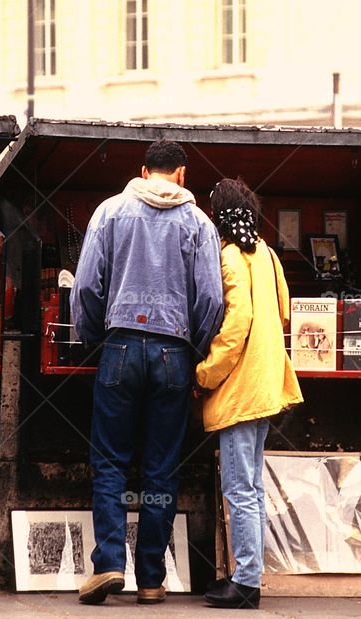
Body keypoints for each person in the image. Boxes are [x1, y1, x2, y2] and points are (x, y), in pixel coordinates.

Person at [72, 139, 224, 605]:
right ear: (181, 173)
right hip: (173, 354)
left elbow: (85, 287)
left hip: (118, 347)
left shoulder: (110, 212)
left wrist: (97, 336)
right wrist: (192, 348)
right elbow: (212, 300)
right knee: (161, 470)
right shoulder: (199, 223)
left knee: (110, 462)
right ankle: (153, 580)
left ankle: (110, 563)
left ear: (143, 170)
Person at [195, 178, 303, 610]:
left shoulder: (230, 257)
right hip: (265, 385)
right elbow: (284, 309)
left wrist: (205, 373)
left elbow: (234, 326)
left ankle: (245, 583)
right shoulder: (269, 254)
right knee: (252, 487)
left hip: (239, 388)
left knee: (239, 488)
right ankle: (248, 575)